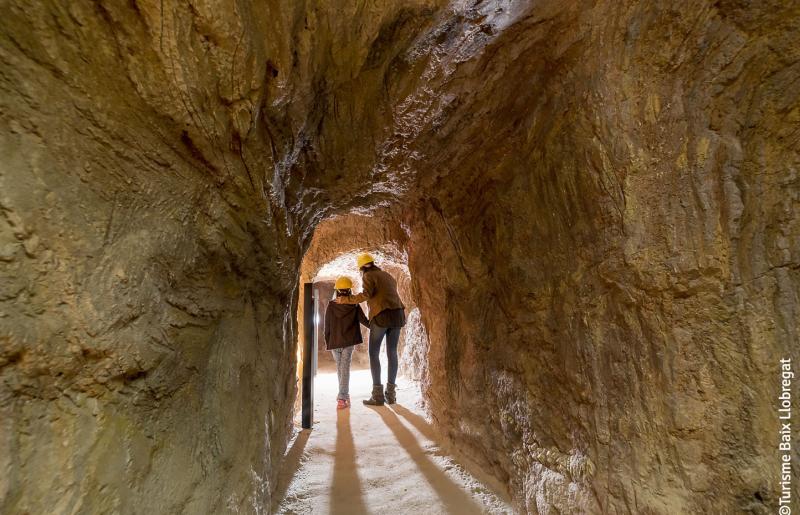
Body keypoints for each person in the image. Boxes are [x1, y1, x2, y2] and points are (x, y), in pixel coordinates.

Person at [336, 253, 406, 406]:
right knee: (392, 352)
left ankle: (377, 396)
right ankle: (391, 395)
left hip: (381, 316)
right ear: (373, 263)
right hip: (398, 315)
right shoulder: (387, 275)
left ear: (362, 267)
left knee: (373, 353)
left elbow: (367, 295)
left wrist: (346, 300)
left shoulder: (368, 276)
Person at [324, 276, 369, 409]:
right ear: (349, 291)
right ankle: (342, 397)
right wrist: (379, 325)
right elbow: (364, 321)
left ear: (337, 291)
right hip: (348, 342)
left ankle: (343, 395)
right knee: (344, 368)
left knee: (341, 368)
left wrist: (329, 342)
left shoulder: (331, 305)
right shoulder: (354, 305)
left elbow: (327, 326)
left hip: (335, 341)